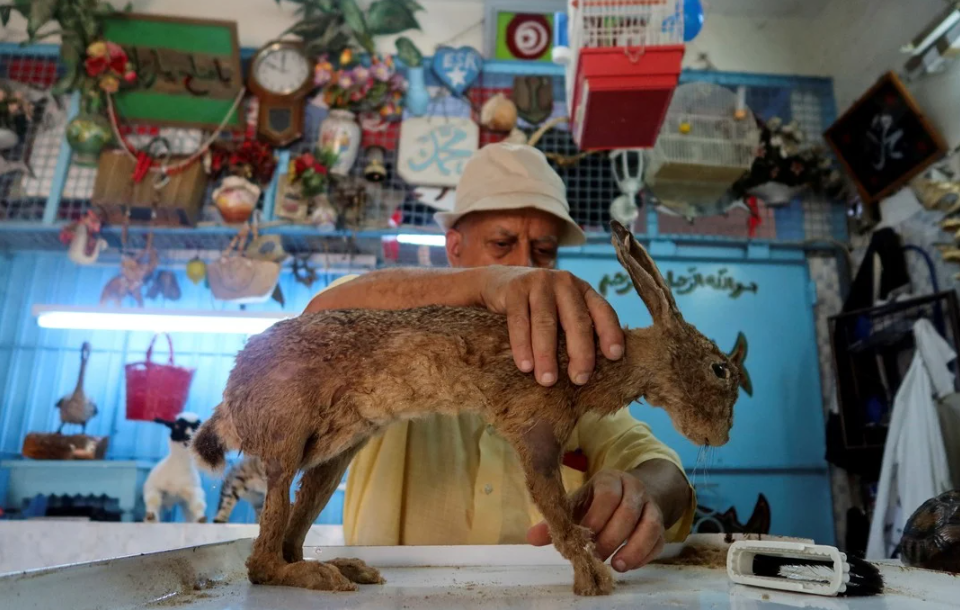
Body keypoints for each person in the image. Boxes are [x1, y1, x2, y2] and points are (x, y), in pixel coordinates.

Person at [306, 143, 695, 574]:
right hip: (389, 595)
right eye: (502, 244)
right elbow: (318, 321)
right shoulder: (391, 334)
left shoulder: (573, 369)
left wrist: (644, 493)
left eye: (543, 251)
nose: (526, 265)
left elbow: (660, 465)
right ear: (455, 248)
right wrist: (485, 284)